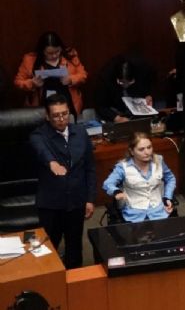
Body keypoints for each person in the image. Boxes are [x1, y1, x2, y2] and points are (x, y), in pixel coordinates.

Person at [28, 94, 95, 268]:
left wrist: (89, 199)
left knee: (75, 247)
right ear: (47, 116)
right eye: (56, 115)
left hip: (76, 201)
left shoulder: (80, 132)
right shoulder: (39, 135)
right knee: (47, 249)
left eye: (65, 114)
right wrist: (52, 163)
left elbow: (90, 168)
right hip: (51, 204)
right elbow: (41, 150)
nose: (61, 119)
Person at [102, 132, 176, 222]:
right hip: (134, 214)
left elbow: (170, 178)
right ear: (132, 151)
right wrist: (116, 192)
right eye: (141, 149)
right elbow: (108, 183)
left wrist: (167, 197)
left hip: (159, 211)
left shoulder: (159, 160)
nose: (147, 152)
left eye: (149, 147)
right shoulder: (123, 167)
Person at [15, 31, 88, 117]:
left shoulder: (70, 55)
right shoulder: (29, 60)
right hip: (42, 103)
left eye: (57, 51)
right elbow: (18, 81)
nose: (54, 56)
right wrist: (32, 83)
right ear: (42, 51)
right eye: (49, 53)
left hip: (68, 101)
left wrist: (70, 79)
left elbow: (83, 75)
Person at [94, 55, 157, 122]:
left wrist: (149, 95)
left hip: (136, 104)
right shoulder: (105, 77)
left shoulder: (143, 70)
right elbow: (100, 106)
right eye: (121, 82)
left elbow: (150, 85)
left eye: (129, 82)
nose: (125, 86)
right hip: (113, 108)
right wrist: (117, 118)